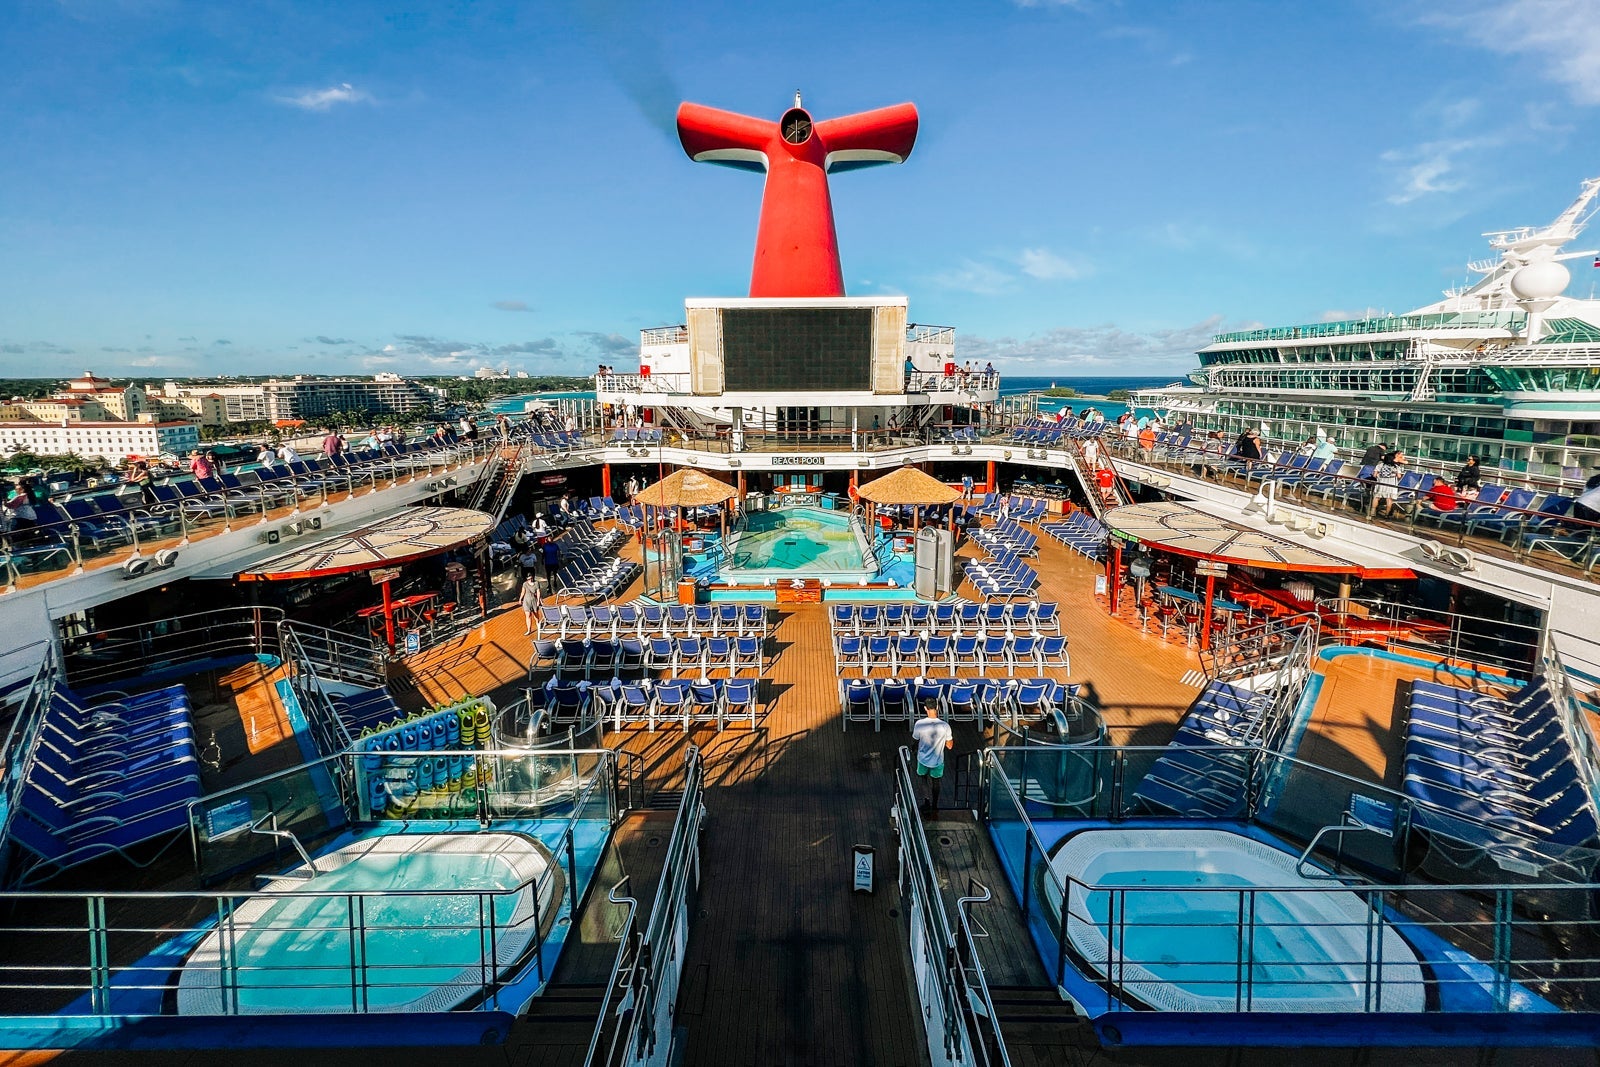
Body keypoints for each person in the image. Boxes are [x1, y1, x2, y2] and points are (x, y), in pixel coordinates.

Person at [911, 700, 955, 815]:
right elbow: (950, 746)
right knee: (936, 783)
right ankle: (935, 805)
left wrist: (913, 749)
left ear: (925, 708)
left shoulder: (919, 724)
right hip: (938, 760)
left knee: (923, 779)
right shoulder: (945, 726)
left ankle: (926, 801)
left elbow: (915, 740)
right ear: (937, 707)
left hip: (922, 759)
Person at [1373, 449, 1404, 518]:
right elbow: (1399, 476)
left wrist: (1379, 476)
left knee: (1376, 497)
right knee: (1389, 499)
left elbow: (1374, 475)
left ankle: (1373, 512)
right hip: (1391, 484)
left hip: (1381, 483)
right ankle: (1386, 514)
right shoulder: (1396, 467)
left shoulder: (1380, 465)